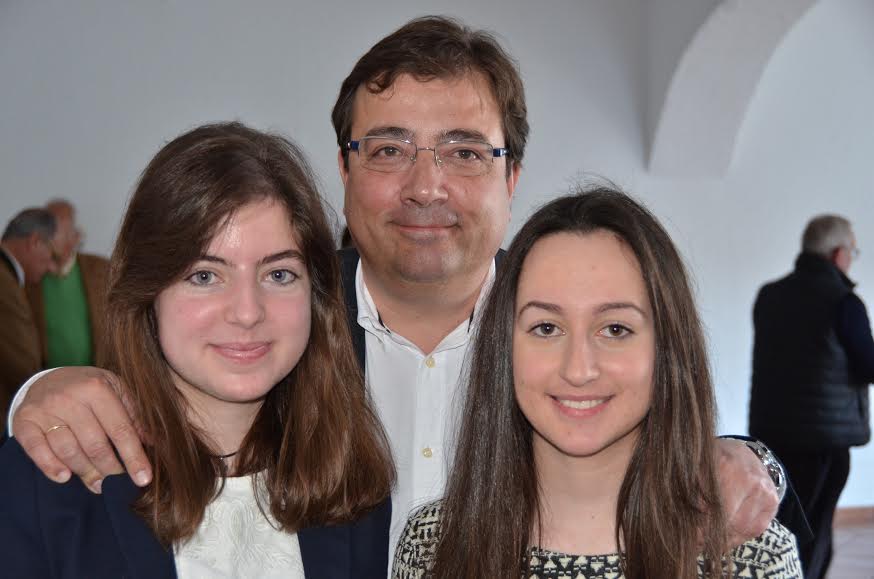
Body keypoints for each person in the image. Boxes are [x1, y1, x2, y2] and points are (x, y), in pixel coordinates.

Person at [8, 16, 786, 560]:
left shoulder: (562, 333)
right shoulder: (280, 328)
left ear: (513, 175)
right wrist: (35, 393)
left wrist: (742, 460)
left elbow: (684, 439)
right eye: (388, 150)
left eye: (463, 152)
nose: (425, 186)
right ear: (344, 171)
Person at [0, 122, 395, 578]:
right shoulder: (49, 480)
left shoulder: (354, 487)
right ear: (148, 293)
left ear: (316, 295)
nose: (247, 312)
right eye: (204, 276)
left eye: (279, 274)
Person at [394, 188, 802, 579]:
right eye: (546, 327)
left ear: (667, 348)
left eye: (616, 329)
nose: (578, 369)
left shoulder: (751, 558)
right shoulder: (432, 546)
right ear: (504, 346)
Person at [749, 214, 873, 579]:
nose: (851, 259)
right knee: (815, 532)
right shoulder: (844, 302)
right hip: (823, 444)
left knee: (781, 524)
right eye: (852, 251)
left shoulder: (770, 296)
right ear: (837, 254)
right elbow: (868, 366)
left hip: (772, 435)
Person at [26, 199, 110, 368]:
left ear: (75, 236)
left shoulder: (101, 269)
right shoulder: (29, 275)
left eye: (56, 229)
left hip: (96, 374)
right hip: (46, 378)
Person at [0, 208, 57, 432]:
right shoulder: (4, 283)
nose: (51, 266)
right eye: (51, 253)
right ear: (34, 242)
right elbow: (22, 362)